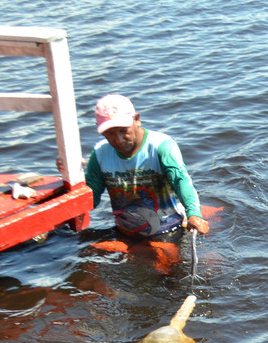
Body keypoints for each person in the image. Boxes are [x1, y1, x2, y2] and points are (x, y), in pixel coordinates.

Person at [84, 94, 210, 238]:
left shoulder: (161, 147)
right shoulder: (100, 153)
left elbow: (181, 180)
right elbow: (91, 200)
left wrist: (194, 214)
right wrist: (73, 177)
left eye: (123, 131)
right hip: (125, 231)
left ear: (137, 119)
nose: (118, 140)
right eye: (110, 134)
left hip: (170, 229)